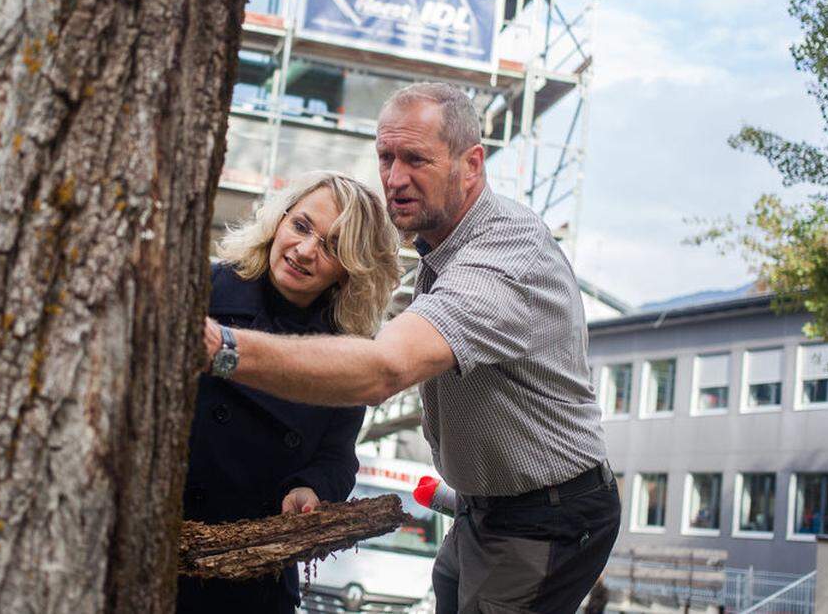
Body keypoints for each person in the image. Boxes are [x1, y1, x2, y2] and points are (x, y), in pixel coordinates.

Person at [203, 83, 620, 614]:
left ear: (472, 164)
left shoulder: (503, 256)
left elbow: (381, 371)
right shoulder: (438, 255)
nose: (395, 179)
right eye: (386, 157)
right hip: (482, 510)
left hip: (546, 520)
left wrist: (223, 349)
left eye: (416, 159)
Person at [178, 172, 401, 613]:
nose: (304, 251)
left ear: (348, 271)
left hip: (254, 579)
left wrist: (310, 489)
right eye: (301, 226)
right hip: (162, 550)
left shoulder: (345, 353)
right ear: (278, 221)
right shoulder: (199, 290)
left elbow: (337, 457)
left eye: (332, 247)